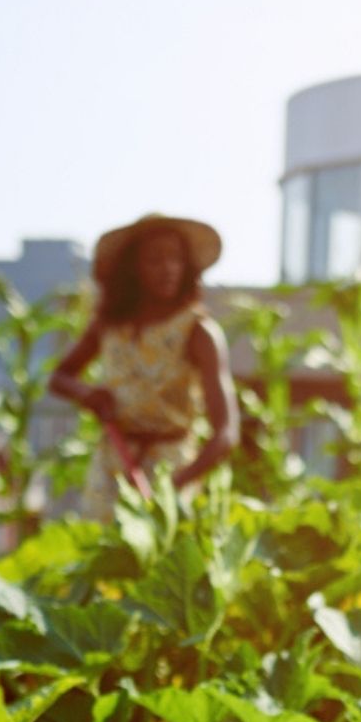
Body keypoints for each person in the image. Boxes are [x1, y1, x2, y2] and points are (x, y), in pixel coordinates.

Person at [50, 213, 242, 511]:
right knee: (98, 539)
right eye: (154, 260)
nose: (168, 268)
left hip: (171, 469)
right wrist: (89, 395)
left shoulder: (198, 331)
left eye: (176, 259)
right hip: (113, 464)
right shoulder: (109, 326)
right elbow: (59, 378)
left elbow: (226, 434)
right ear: (132, 269)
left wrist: (177, 484)